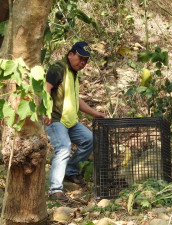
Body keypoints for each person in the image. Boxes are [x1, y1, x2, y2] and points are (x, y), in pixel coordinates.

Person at [45, 41, 106, 201]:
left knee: (90, 140)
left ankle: (70, 171)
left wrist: (95, 113)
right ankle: (54, 190)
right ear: (70, 54)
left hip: (70, 121)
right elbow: (45, 89)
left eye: (86, 61)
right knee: (64, 148)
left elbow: (76, 100)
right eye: (80, 58)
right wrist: (45, 111)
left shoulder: (74, 73)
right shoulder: (58, 68)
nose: (83, 63)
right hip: (56, 119)